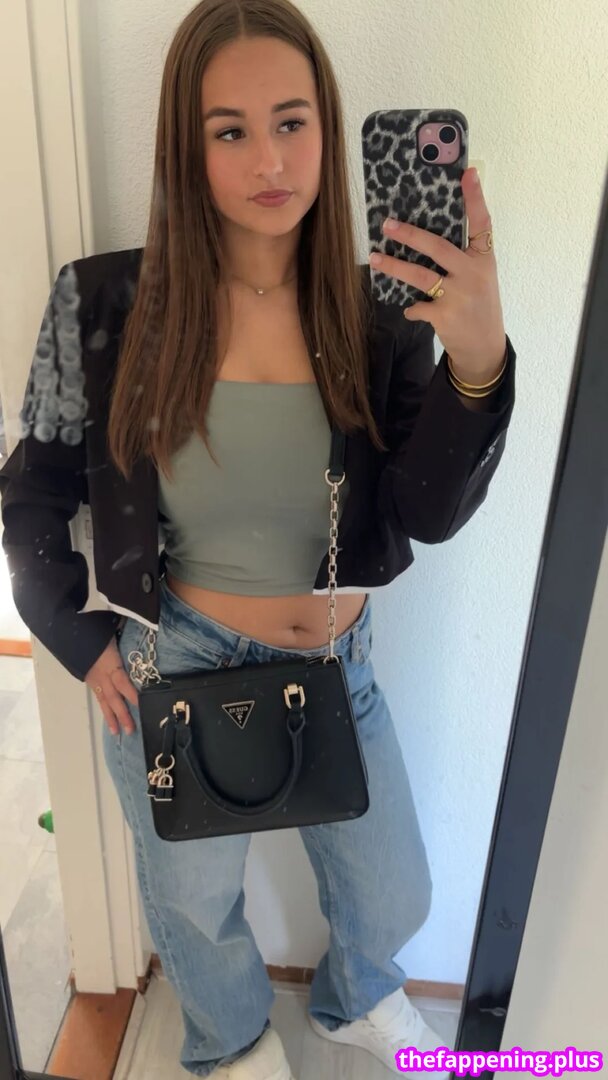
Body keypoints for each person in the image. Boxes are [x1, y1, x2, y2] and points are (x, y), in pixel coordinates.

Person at [0, 1, 516, 1076]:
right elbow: (31, 490)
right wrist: (77, 636)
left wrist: (477, 366)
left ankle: (353, 999)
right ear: (185, 150)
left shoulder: (378, 308)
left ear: (327, 125)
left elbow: (424, 513)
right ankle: (229, 1047)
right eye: (228, 131)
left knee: (394, 888)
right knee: (194, 906)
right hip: (175, 656)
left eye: (291, 122)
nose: (269, 160)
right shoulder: (103, 304)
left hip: (338, 659)